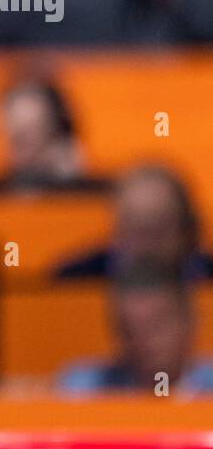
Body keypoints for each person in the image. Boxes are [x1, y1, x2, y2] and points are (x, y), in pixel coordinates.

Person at [57, 261, 213, 394]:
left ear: (189, 322)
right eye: (130, 329)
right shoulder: (83, 388)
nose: (144, 339)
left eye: (157, 325)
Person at [58, 166, 213, 280]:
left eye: (157, 232)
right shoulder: (74, 281)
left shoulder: (208, 275)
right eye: (134, 231)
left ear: (186, 233)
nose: (145, 246)